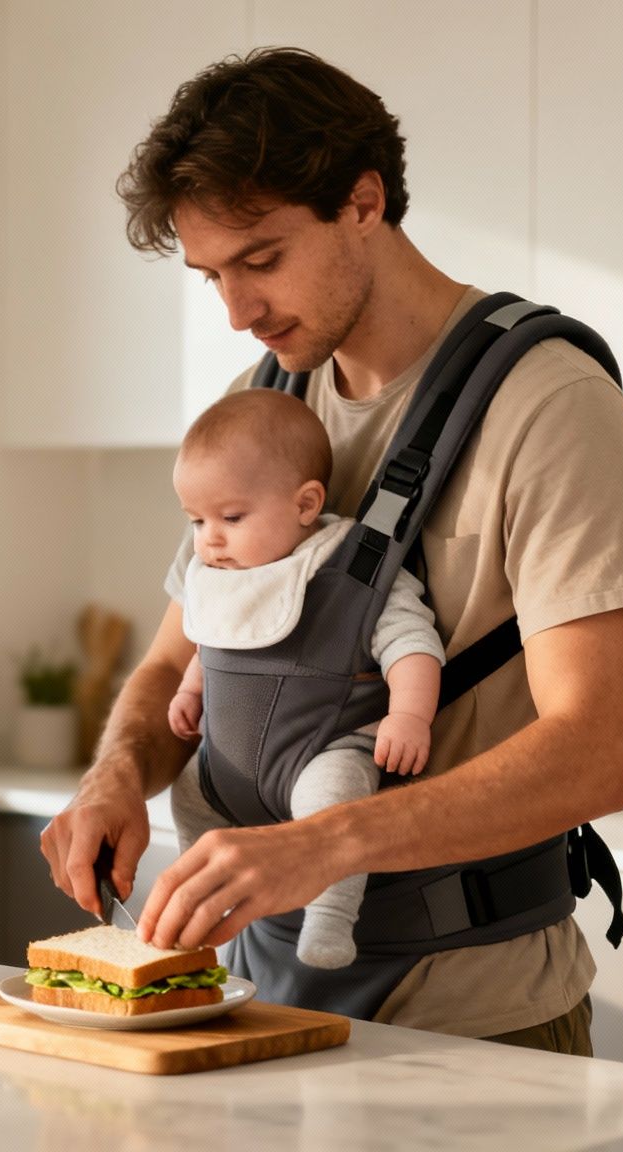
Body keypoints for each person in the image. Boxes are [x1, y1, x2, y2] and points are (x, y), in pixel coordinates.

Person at [38, 46, 623, 1054]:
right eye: (210, 275)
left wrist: (319, 846)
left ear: (363, 202)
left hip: (474, 1021)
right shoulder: (269, 399)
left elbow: (596, 751)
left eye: (261, 259)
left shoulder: (550, 406)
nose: (236, 309)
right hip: (257, 995)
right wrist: (115, 774)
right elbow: (171, 659)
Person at [165, 388, 444, 969]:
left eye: (231, 517)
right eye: (196, 520)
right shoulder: (218, 572)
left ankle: (331, 919)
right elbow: (215, 640)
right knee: (189, 793)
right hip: (229, 761)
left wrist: (409, 715)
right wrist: (192, 691)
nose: (209, 539)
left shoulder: (349, 568)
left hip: (323, 746)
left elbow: (412, 643)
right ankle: (198, 892)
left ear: (306, 503)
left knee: (336, 803)